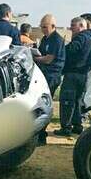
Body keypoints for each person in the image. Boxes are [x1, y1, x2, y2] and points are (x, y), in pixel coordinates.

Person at [54, 17, 91, 136]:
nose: (71, 27)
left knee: (67, 101)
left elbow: (72, 49)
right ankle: (77, 125)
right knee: (77, 101)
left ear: (81, 26)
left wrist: (62, 49)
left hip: (73, 74)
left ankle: (66, 127)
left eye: (73, 25)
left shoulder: (81, 38)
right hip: (83, 75)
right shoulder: (90, 38)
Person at [34, 14, 65, 145]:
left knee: (45, 104)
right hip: (44, 73)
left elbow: (48, 58)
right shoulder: (46, 38)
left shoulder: (56, 40)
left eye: (45, 27)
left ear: (53, 26)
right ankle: (39, 132)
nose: (43, 29)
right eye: (42, 27)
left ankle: (42, 135)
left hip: (52, 75)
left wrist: (36, 58)